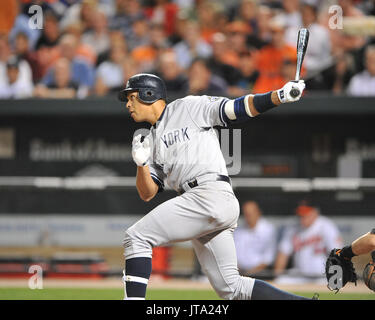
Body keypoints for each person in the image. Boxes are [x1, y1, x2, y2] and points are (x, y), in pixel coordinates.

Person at [117, 72, 313, 300]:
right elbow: (147, 193)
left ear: (148, 94)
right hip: (203, 202)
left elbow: (235, 109)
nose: (128, 104)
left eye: (131, 97)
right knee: (232, 289)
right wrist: (141, 164)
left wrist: (278, 96)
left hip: (209, 193)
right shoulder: (150, 139)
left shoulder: (187, 107)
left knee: (137, 237)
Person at [274, 202, 343, 284]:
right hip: (299, 275)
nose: (302, 218)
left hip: (322, 275)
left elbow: (337, 252)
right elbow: (283, 254)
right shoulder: (292, 229)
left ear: (315, 213)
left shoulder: (326, 226)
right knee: (280, 281)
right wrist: (277, 275)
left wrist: (337, 274)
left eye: (305, 215)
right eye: (300, 215)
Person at [234, 201, 277, 277]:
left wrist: (250, 273)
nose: (248, 217)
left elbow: (268, 259)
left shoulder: (268, 230)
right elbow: (234, 255)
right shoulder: (238, 231)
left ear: (258, 212)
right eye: (246, 214)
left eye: (250, 214)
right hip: (239, 274)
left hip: (262, 274)